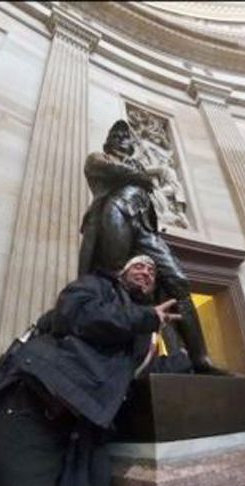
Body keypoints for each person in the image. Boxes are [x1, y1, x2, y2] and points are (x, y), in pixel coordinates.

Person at [0, 255, 181, 486]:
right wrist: (147, 318)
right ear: (121, 271)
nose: (147, 272)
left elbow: (134, 378)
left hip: (87, 428)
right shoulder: (97, 285)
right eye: (139, 266)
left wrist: (186, 358)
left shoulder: (144, 332)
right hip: (40, 407)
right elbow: (76, 314)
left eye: (152, 272)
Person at [79, 120, 225, 375]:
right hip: (116, 214)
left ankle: (200, 358)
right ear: (109, 141)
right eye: (118, 136)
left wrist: (142, 176)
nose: (124, 139)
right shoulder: (98, 158)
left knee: (178, 280)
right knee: (113, 278)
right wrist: (141, 177)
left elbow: (144, 180)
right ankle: (114, 355)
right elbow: (120, 172)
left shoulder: (135, 164)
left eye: (127, 137)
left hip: (145, 227)